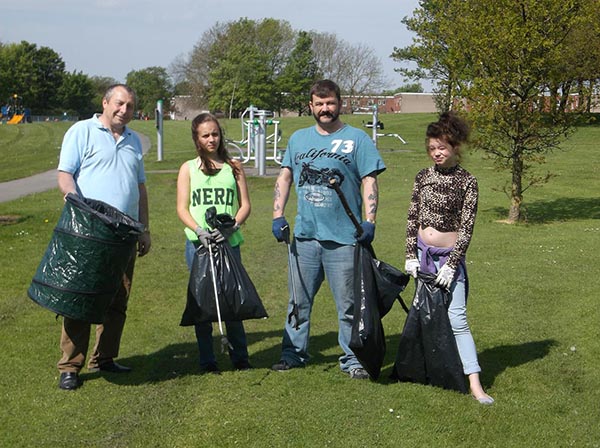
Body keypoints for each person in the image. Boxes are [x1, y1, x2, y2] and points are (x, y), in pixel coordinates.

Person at [271, 79, 386, 380]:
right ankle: (292, 354)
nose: (325, 108)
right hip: (305, 236)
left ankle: (354, 360)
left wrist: (370, 221)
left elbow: (369, 181)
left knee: (348, 306)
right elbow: (285, 178)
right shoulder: (298, 139)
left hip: (344, 239)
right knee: (298, 301)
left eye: (330, 103)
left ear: (340, 103)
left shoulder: (357, 139)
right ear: (310, 106)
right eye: (319, 104)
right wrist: (277, 215)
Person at [56, 84, 151, 390]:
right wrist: (80, 207)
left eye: (130, 107)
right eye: (120, 104)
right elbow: (65, 175)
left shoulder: (134, 140)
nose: (125, 110)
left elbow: (139, 189)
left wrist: (144, 228)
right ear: (106, 102)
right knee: (81, 299)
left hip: (124, 235)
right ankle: (70, 366)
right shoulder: (81, 131)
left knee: (118, 299)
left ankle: (105, 357)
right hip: (89, 233)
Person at [404, 111, 494, 404]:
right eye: (432, 148)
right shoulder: (423, 177)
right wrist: (410, 255)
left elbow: (467, 228)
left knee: (457, 319)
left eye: (441, 147)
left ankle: (475, 384)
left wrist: (453, 264)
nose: (436, 153)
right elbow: (412, 217)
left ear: (456, 146)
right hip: (422, 256)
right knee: (424, 317)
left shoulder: (468, 182)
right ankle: (426, 371)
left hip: (449, 260)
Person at [176, 113, 252, 374]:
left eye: (215, 134)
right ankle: (207, 360)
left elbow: (245, 206)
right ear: (197, 138)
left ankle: (240, 356)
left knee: (232, 299)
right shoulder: (188, 168)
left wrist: (231, 228)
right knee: (204, 301)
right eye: (205, 135)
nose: (211, 139)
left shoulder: (234, 166)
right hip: (199, 246)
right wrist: (198, 230)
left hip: (229, 243)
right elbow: (182, 208)